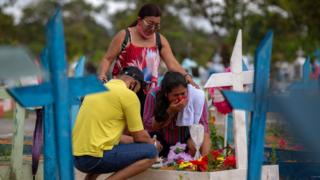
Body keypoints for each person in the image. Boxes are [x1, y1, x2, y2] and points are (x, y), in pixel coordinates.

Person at [73, 66, 162, 180]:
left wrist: (134, 143)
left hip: (77, 158)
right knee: (151, 152)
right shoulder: (128, 95)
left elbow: (116, 137)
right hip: (93, 159)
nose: (136, 93)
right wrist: (153, 143)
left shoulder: (97, 89)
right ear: (133, 84)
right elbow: (139, 136)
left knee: (116, 147)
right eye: (137, 90)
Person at [98, 3, 198, 90]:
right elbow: (107, 59)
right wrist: (102, 76)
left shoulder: (160, 40)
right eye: (150, 24)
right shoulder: (125, 36)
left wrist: (186, 76)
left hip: (148, 95)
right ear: (139, 20)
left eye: (157, 26)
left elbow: (172, 63)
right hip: (123, 91)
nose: (153, 29)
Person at [143, 71, 211, 158]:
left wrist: (205, 161)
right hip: (161, 141)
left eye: (183, 94)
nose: (180, 98)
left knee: (196, 143)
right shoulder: (153, 95)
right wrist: (170, 112)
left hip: (185, 142)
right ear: (166, 94)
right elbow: (148, 125)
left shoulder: (196, 96)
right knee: (152, 145)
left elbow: (204, 130)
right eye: (175, 95)